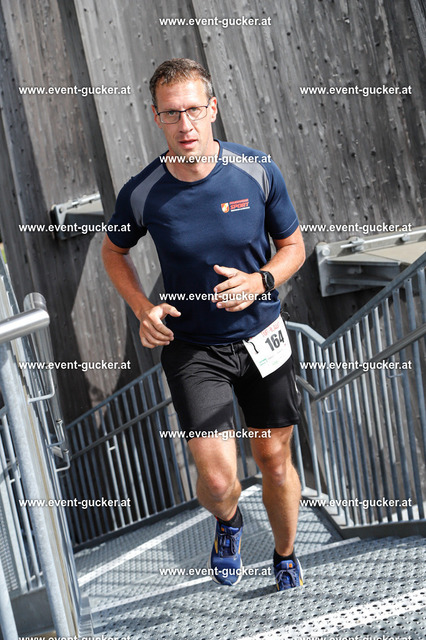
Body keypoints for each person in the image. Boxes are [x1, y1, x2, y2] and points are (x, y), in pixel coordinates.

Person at [102, 58, 306, 591]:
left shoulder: (256, 169)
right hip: (194, 348)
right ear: (156, 118)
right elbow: (113, 252)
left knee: (273, 460)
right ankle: (229, 522)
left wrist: (260, 281)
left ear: (212, 109)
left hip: (263, 338)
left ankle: (285, 553)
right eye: (171, 114)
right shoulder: (142, 192)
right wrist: (141, 307)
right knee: (217, 481)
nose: (185, 124)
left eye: (193, 109)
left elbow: (294, 246)